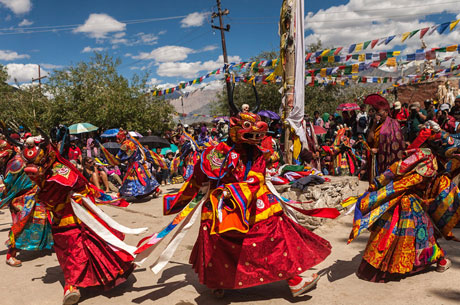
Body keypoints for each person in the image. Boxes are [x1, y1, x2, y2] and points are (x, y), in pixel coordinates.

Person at [136, 88, 339, 298]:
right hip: (223, 206)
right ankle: (220, 282)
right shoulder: (218, 151)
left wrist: (238, 188)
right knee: (226, 243)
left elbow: (257, 177)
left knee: (274, 235)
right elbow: (202, 173)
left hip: (253, 203)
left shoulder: (258, 152)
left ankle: (292, 280)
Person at [347, 148, 458, 283]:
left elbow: (393, 172)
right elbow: (408, 183)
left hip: (400, 201)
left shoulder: (419, 157)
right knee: (424, 235)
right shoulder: (427, 164)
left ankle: (375, 267)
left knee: (389, 234)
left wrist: (376, 186)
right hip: (408, 203)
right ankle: (440, 260)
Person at [0, 137, 53, 267]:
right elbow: (8, 186)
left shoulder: (22, 160)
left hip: (36, 196)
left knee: (46, 222)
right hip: (22, 200)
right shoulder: (15, 162)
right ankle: (10, 255)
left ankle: (51, 245)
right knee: (21, 227)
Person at [365, 94, 404, 183]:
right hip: (375, 159)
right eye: (377, 114)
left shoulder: (393, 124)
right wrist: (374, 124)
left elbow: (396, 144)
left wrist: (379, 150)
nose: (378, 116)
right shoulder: (377, 124)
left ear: (386, 112)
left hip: (388, 158)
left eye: (380, 113)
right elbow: (370, 140)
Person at [115, 130, 161, 198]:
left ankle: (120, 194)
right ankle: (157, 190)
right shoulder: (133, 141)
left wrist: (115, 159)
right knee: (146, 179)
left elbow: (122, 156)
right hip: (139, 164)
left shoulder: (125, 144)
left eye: (118, 138)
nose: (117, 140)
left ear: (122, 137)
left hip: (134, 165)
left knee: (130, 180)